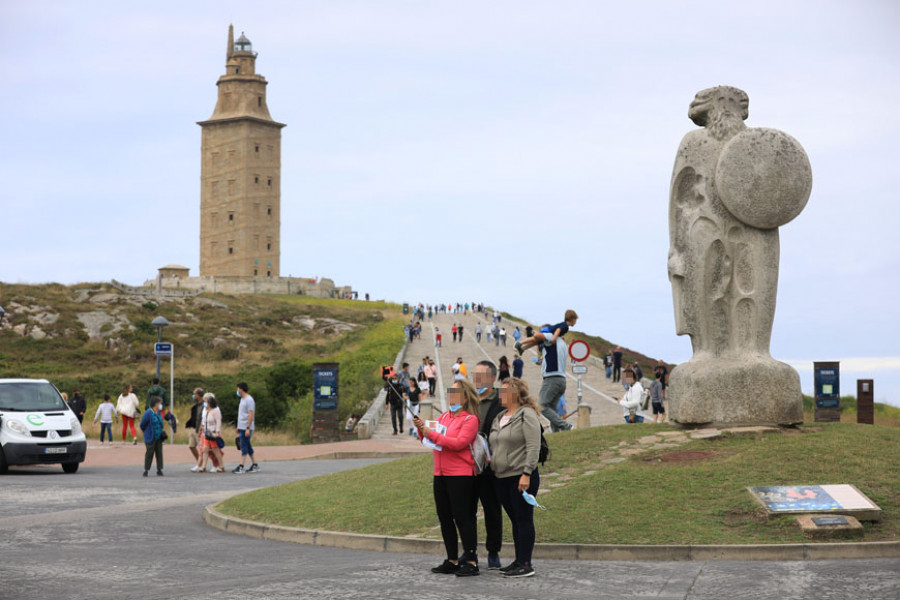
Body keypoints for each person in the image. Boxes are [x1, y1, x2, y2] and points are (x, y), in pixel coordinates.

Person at [413, 380, 481, 577]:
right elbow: (428, 439)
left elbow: (459, 443)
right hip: (440, 474)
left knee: (462, 517)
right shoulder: (443, 416)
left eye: (455, 392)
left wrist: (430, 433)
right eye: (450, 391)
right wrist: (421, 428)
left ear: (465, 396)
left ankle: (470, 559)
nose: (451, 395)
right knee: (444, 517)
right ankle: (452, 558)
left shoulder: (470, 419)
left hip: (460, 474)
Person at [489, 377, 542, 578]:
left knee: (524, 519)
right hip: (501, 477)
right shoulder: (500, 416)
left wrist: (527, 473)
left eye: (503, 391)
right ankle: (519, 560)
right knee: (515, 520)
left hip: (521, 476)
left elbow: (533, 446)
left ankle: (526, 563)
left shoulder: (526, 415)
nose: (499, 395)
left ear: (514, 393)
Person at [473, 361, 505, 570]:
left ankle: (493, 552)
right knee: (466, 511)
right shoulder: (468, 399)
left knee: (492, 510)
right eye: (475, 375)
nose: (477, 380)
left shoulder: (501, 400)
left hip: (490, 466)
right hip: (466, 465)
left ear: (492, 378)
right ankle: (470, 551)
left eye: (481, 376)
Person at [537, 334, 573, 432]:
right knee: (552, 409)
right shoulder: (562, 346)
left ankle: (566, 426)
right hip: (561, 379)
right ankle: (556, 433)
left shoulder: (552, 343)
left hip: (551, 379)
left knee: (541, 406)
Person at [233, 382, 260, 473]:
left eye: (238, 389)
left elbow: (251, 414)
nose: (237, 391)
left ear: (241, 389)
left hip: (246, 427)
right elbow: (241, 414)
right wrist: (238, 426)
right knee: (247, 446)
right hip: (241, 426)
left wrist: (248, 428)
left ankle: (241, 466)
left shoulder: (249, 400)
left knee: (243, 445)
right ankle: (255, 464)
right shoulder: (242, 399)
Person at [196, 394, 225, 472]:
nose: (205, 403)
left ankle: (221, 466)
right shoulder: (205, 410)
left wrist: (217, 432)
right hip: (206, 432)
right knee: (205, 449)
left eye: (206, 402)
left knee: (215, 450)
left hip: (213, 433)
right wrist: (201, 429)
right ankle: (203, 466)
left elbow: (218, 422)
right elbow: (203, 421)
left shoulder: (215, 410)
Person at [140, 396, 165, 476]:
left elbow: (161, 423)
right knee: (149, 453)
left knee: (159, 453)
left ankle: (159, 469)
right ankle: (146, 469)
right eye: (159, 403)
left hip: (158, 437)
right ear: (156, 404)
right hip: (151, 437)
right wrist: (146, 432)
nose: (160, 405)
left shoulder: (158, 412)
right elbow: (142, 424)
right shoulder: (148, 413)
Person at [185, 388, 205, 461]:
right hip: (192, 427)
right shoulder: (195, 405)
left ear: (199, 395)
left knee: (201, 447)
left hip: (198, 428)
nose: (193, 396)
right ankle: (199, 461)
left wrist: (200, 428)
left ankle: (201, 463)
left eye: (195, 394)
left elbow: (202, 417)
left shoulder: (203, 405)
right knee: (191, 446)